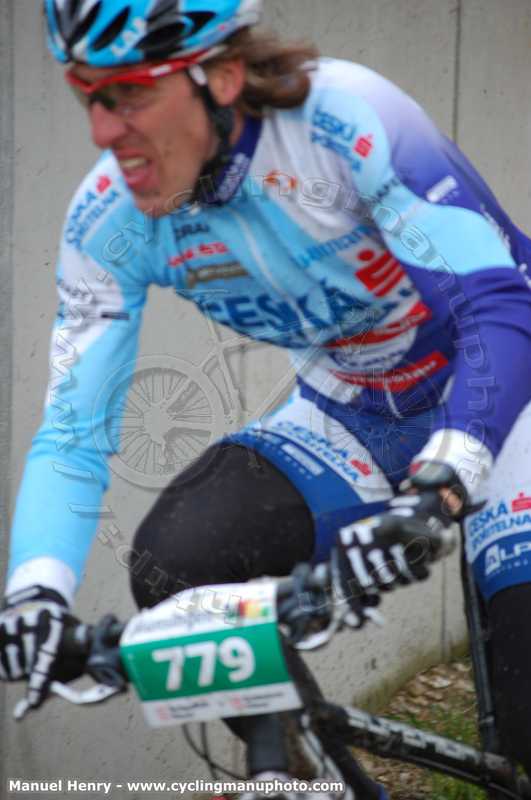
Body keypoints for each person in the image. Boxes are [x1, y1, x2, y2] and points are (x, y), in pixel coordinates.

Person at [2, 1, 531, 795]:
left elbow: (495, 304)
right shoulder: (108, 219)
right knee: (179, 565)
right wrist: (34, 594)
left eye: (131, 94)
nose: (104, 133)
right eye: (89, 97)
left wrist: (445, 477)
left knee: (528, 711)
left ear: (221, 76)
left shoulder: (346, 117)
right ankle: (297, 771)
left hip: (504, 396)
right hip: (350, 410)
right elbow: (73, 432)